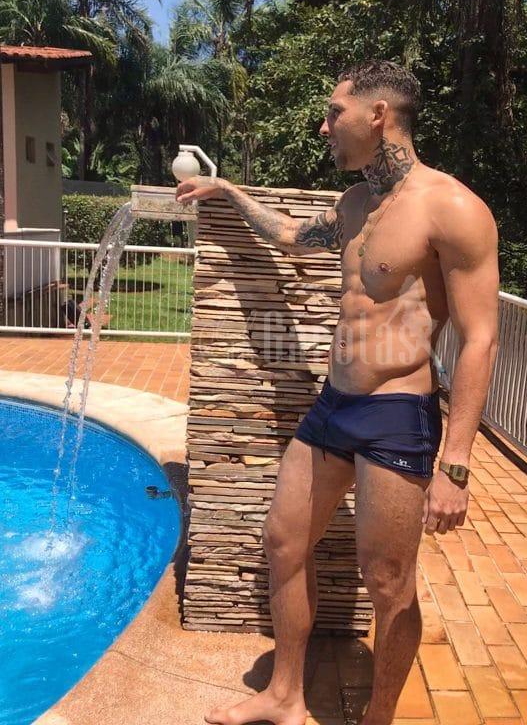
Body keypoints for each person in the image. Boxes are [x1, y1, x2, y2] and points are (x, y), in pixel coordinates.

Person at [176, 59, 500, 725]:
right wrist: (227, 190)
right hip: (333, 406)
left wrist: (456, 465)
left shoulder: (453, 207)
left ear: (378, 115)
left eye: (334, 113)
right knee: (283, 542)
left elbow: (480, 339)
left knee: (387, 584)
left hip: (396, 414)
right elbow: (290, 236)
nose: (325, 127)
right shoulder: (354, 205)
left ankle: (377, 717)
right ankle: (285, 696)